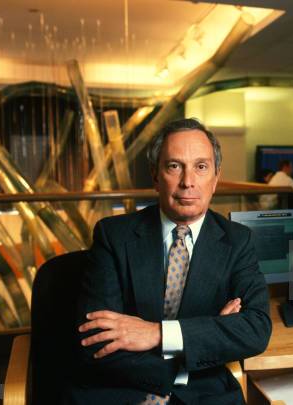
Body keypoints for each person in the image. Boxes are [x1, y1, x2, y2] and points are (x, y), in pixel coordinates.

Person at [68, 118, 272, 405]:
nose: (188, 181)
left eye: (201, 167)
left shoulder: (238, 241)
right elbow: (97, 341)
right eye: (174, 166)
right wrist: (206, 339)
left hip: (207, 395)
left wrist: (157, 334)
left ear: (215, 178)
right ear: (155, 175)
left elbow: (256, 330)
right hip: (120, 391)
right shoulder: (114, 235)